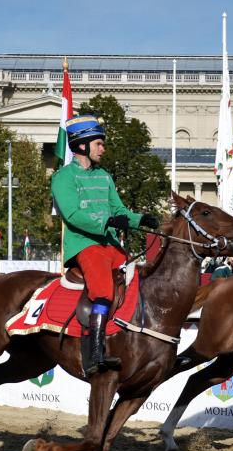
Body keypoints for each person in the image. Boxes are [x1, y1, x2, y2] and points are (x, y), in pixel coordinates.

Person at [51, 115, 159, 375]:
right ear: (82, 145)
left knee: (141, 280)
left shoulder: (105, 176)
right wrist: (108, 220)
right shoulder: (62, 178)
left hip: (110, 245)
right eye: (99, 144)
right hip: (84, 244)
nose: (103, 149)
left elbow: (119, 211)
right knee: (102, 290)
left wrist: (141, 219)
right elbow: (73, 215)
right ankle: (95, 351)